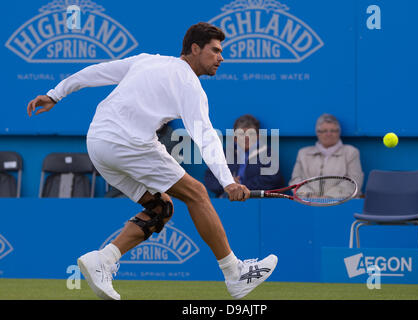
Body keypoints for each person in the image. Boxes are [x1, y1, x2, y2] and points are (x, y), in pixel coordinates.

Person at [26, 22, 277, 300]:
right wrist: (228, 183)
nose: (221, 57)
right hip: (129, 143)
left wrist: (54, 94)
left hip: (97, 143)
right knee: (196, 193)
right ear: (195, 49)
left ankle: (104, 260)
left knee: (161, 207)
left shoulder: (146, 60)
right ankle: (235, 273)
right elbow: (205, 136)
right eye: (215, 50)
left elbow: (95, 71)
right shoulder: (190, 85)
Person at [205, 114, 284, 197]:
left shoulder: (268, 153)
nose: (246, 137)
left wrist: (241, 186)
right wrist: (228, 184)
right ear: (235, 137)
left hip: (258, 201)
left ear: (258, 136)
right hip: (227, 200)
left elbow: (272, 179)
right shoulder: (224, 154)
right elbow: (210, 178)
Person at [289, 113, 364, 196]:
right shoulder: (303, 153)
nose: (329, 134)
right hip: (308, 204)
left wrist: (329, 198)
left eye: (333, 131)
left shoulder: (351, 152)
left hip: (341, 204)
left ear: (339, 132)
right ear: (317, 132)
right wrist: (309, 196)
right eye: (324, 131)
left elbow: (354, 181)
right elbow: (295, 180)